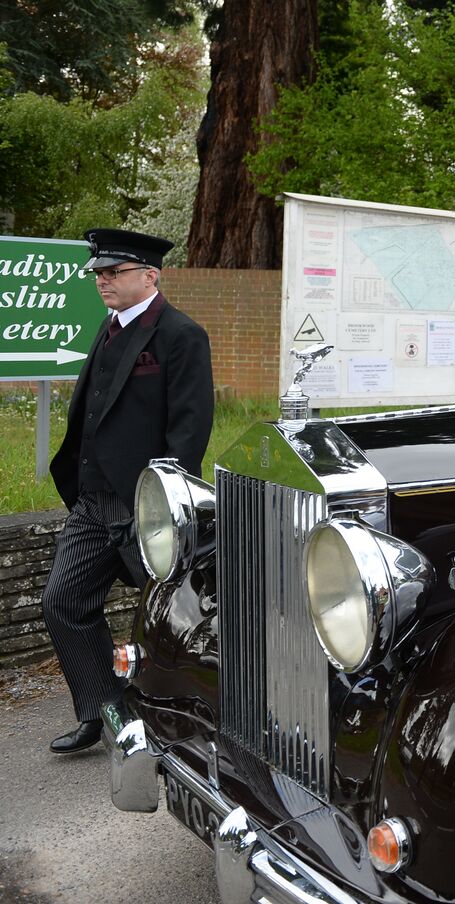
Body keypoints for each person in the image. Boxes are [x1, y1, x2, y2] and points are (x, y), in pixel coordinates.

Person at [42, 228, 213, 754]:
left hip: (146, 505)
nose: (102, 281)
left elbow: (189, 431)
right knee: (63, 601)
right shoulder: (109, 327)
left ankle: (188, 720)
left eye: (113, 272)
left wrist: (165, 504)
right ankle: (103, 708)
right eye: (98, 273)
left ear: (150, 276)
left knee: (178, 617)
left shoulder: (181, 335)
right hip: (94, 500)